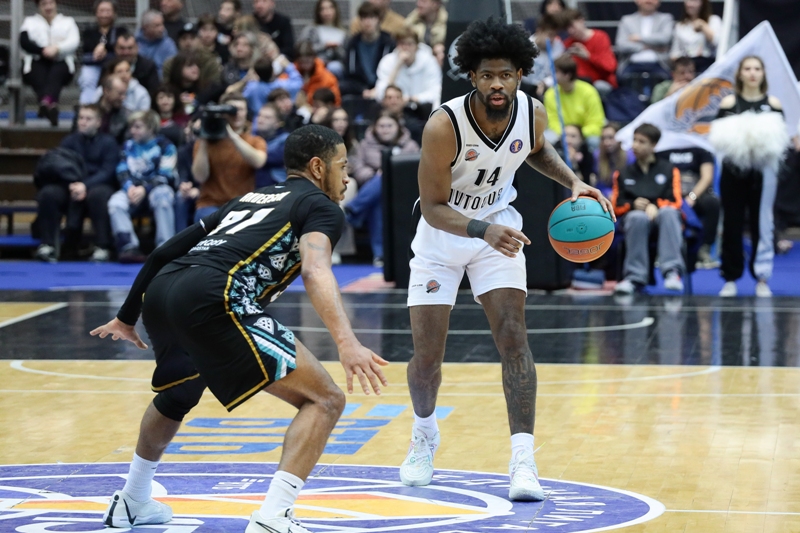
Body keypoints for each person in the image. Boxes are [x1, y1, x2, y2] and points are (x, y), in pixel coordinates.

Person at [92, 125, 387, 533]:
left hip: (163, 291)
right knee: (325, 399)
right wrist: (347, 341)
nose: (348, 177)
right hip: (215, 293)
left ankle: (132, 500)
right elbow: (316, 270)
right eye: (343, 166)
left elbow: (163, 252)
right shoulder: (321, 206)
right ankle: (273, 517)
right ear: (318, 168)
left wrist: (127, 317)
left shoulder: (249, 198)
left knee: (179, 393)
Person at [400, 18, 613, 500]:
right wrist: (483, 230)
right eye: (487, 75)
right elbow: (432, 208)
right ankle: (423, 434)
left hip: (499, 226)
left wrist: (573, 181)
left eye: (506, 74)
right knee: (427, 358)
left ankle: (523, 460)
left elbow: (536, 149)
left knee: (514, 338)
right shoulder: (444, 125)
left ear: (520, 74)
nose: (497, 84)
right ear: (472, 77)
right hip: (443, 236)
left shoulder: (532, 112)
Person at [712, 56, 784, 298]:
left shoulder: (773, 103)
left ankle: (762, 276)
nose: (752, 73)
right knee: (731, 223)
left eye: (757, 68)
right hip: (733, 172)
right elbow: (719, 140)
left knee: (763, 223)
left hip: (763, 172)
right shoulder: (729, 103)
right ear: (740, 73)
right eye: (747, 68)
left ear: (763, 73)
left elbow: (779, 140)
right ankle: (730, 277)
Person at [35, 104, 118, 263]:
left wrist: (85, 185)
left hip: (96, 184)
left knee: (99, 195)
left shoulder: (109, 143)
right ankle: (48, 245)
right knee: (48, 193)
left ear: (98, 122)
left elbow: (108, 171)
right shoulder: (69, 141)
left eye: (88, 119)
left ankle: (103, 246)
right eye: (81, 118)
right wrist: (72, 184)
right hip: (70, 184)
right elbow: (59, 166)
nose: (83, 122)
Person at [612, 123, 685, 294]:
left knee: (669, 213)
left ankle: (671, 272)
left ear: (654, 145)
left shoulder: (669, 169)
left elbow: (676, 201)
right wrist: (633, 205)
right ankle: (634, 277)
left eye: (641, 141)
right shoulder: (622, 173)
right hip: (635, 220)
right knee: (637, 217)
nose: (635, 145)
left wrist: (656, 206)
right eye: (634, 140)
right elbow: (616, 206)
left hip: (662, 218)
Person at [347, 111, 419, 266]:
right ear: (375, 127)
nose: (385, 129)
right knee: (379, 201)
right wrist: (374, 174)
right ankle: (380, 255)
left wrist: (390, 173)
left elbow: (415, 171)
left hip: (402, 190)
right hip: (374, 189)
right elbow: (358, 168)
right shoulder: (364, 145)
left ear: (398, 127)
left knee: (385, 177)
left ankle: (354, 209)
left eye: (389, 125)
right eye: (381, 126)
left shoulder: (410, 145)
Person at [109, 110, 178, 262]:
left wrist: (144, 189)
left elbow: (165, 175)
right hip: (132, 190)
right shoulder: (128, 145)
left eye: (138, 127)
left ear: (151, 128)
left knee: (163, 197)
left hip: (156, 188)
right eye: (131, 127)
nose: (132, 131)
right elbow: (121, 170)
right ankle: (128, 247)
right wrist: (129, 188)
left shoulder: (166, 146)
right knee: (115, 203)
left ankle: (165, 247)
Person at [192, 93, 267, 221]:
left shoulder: (255, 141)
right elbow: (200, 177)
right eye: (232, 110)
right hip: (211, 204)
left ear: (246, 112)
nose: (236, 114)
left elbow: (258, 162)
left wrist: (232, 136)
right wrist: (204, 136)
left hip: (242, 205)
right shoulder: (205, 142)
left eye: (241, 109)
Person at [657, 145, 719, 268]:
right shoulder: (663, 148)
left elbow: (707, 177)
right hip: (669, 194)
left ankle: (703, 250)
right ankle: (661, 251)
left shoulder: (701, 149)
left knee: (712, 203)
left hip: (695, 194)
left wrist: (692, 196)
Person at [19, 0, 80, 126]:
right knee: (39, 74)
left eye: (50, 3)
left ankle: (45, 103)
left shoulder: (68, 21)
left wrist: (57, 49)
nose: (48, 7)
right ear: (38, 6)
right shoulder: (29, 22)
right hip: (36, 61)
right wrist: (42, 51)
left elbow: (74, 41)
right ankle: (51, 106)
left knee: (56, 74)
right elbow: (24, 41)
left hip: (62, 61)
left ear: (56, 4)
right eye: (44, 4)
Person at [543, 55, 606, 151]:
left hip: (584, 133)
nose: (552, 75)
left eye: (556, 72)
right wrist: (566, 134)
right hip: (561, 133)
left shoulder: (589, 91)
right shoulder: (551, 94)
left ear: (567, 75)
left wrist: (578, 134)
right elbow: (552, 121)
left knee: (594, 141)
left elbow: (596, 121)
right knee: (547, 139)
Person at [374, 28, 441, 107]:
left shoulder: (429, 61)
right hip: (395, 108)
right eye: (402, 43)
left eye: (409, 44)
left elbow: (436, 91)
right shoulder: (387, 61)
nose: (405, 48)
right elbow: (381, 94)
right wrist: (398, 65)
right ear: (397, 45)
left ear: (416, 46)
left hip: (422, 107)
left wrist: (412, 99)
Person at [340, 2, 395, 98]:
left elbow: (392, 71)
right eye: (364, 18)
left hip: (383, 88)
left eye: (371, 17)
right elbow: (349, 73)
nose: (367, 22)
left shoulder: (389, 43)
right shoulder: (353, 43)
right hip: (359, 89)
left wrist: (378, 89)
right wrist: (362, 90)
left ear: (378, 20)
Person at [615, 0, 674, 84]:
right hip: (631, 64)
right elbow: (621, 45)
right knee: (621, 81)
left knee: (666, 82)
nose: (649, 1)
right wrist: (645, 47)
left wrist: (639, 38)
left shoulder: (665, 18)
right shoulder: (627, 20)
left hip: (659, 64)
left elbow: (665, 38)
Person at [79, 0, 125, 104]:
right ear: (96, 13)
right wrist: (97, 51)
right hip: (93, 64)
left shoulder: (120, 30)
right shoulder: (89, 31)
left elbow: (119, 47)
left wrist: (104, 49)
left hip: (113, 65)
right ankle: (87, 106)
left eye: (108, 11)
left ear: (114, 13)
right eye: (101, 11)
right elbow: (87, 48)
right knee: (87, 78)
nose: (104, 14)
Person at [563, 9, 617, 92]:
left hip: (599, 82)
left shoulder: (600, 37)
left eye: (572, 26)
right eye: (567, 28)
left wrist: (588, 56)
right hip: (578, 84)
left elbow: (610, 67)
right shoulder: (567, 43)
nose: (570, 31)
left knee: (600, 86)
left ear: (581, 21)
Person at [298, 0, 347, 78]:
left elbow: (346, 56)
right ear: (318, 12)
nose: (327, 12)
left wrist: (336, 49)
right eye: (323, 9)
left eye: (330, 8)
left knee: (335, 67)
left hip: (335, 66)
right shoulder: (310, 30)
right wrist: (324, 46)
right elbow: (302, 49)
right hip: (314, 63)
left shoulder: (343, 32)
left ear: (335, 10)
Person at [670, 0, 721, 73]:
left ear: (703, 3)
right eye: (688, 1)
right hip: (686, 64)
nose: (690, 5)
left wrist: (703, 26)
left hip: (707, 63)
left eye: (695, 1)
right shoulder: (680, 26)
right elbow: (674, 53)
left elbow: (718, 43)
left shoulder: (714, 20)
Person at [111, 29, 161, 99]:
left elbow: (154, 92)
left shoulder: (148, 66)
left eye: (130, 48)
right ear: (115, 49)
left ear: (137, 48)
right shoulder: (108, 66)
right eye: (122, 48)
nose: (126, 52)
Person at [295, 40, 342, 107]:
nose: (305, 65)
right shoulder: (292, 72)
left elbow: (336, 102)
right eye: (302, 62)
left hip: (320, 110)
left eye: (308, 61)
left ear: (314, 58)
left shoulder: (328, 78)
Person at [254, 103, 290, 187]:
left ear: (278, 123)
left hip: (276, 186)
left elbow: (272, 158)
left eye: (267, 117)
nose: (261, 120)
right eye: (259, 115)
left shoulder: (285, 139)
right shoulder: (252, 138)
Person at [136, 10, 178, 77]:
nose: (162, 28)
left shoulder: (168, 44)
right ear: (146, 27)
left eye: (162, 24)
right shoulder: (135, 43)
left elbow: (173, 68)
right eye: (157, 25)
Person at [594, 123, 630, 193]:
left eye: (611, 138)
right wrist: (608, 193)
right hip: (605, 195)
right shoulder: (597, 156)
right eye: (603, 138)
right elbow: (599, 183)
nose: (606, 142)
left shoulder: (629, 156)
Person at [96, 75, 130, 144]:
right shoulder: (88, 113)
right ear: (106, 91)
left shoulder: (127, 116)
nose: (123, 97)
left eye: (124, 94)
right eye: (120, 94)